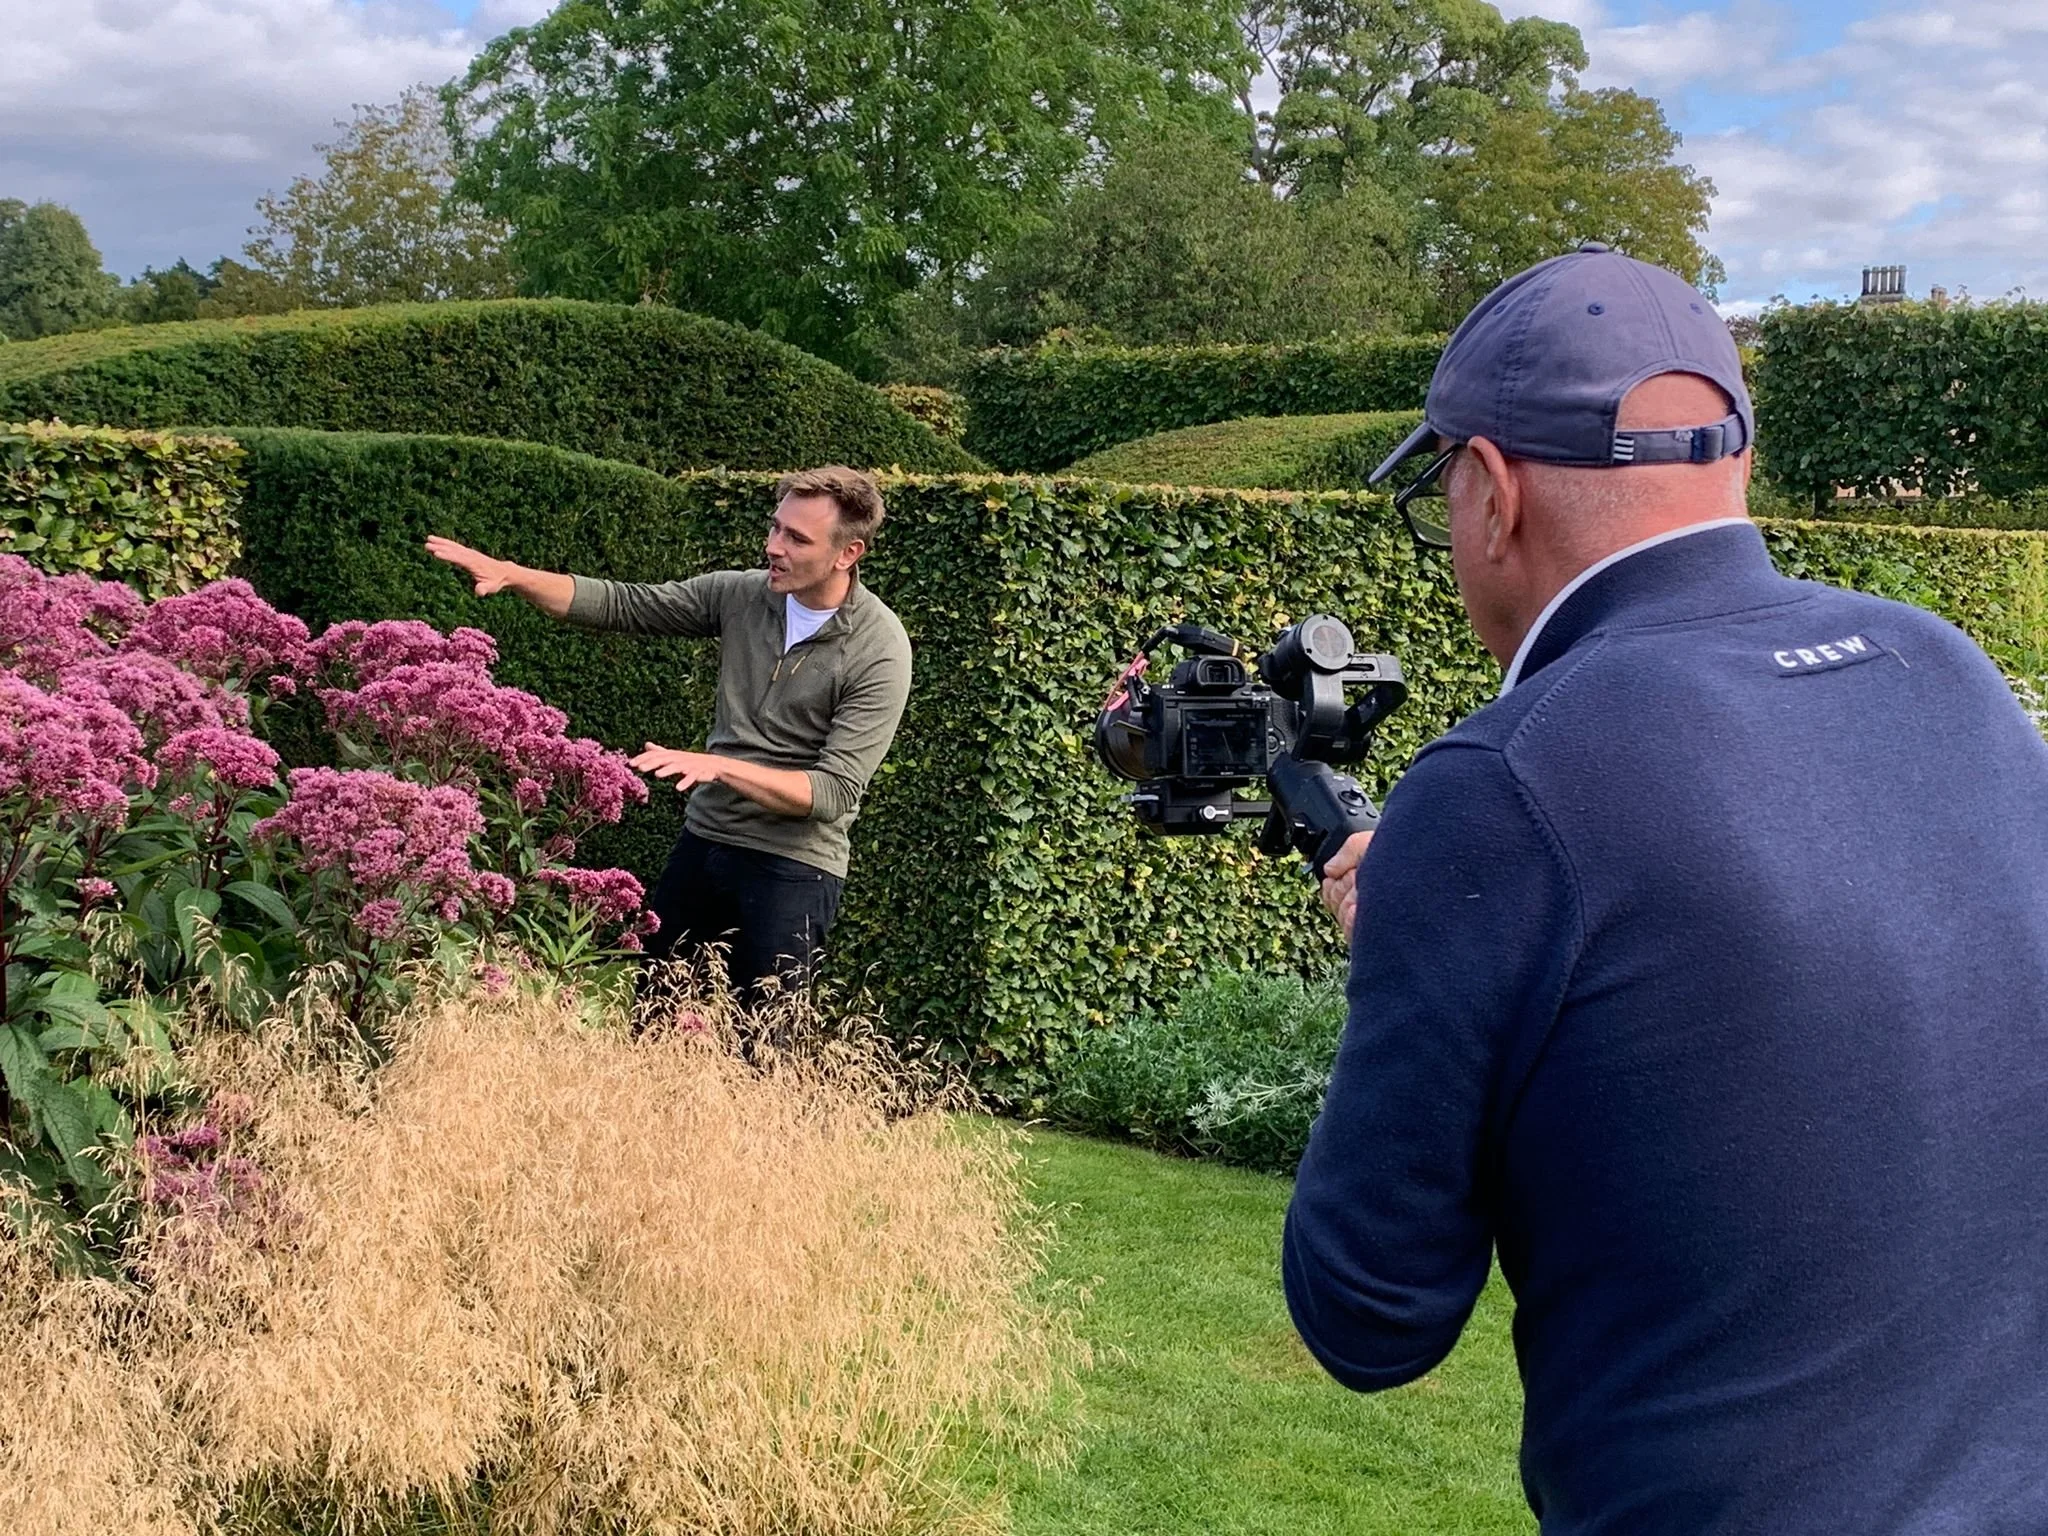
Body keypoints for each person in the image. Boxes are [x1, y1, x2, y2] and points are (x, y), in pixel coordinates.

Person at [1286, 242, 2048, 1533]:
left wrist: (1413, 964)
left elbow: (1368, 1315)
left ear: (1492, 491)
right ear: (1736, 457)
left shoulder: (1500, 782)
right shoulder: (1940, 667)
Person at [425, 465, 912, 998]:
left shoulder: (878, 648)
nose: (774, 546)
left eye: (797, 538)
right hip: (704, 843)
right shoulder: (741, 595)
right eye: (776, 527)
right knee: (655, 1020)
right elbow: (622, 604)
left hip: (794, 869)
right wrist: (515, 574)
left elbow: (832, 791)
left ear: (847, 553)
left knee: (763, 1039)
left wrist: (720, 767)